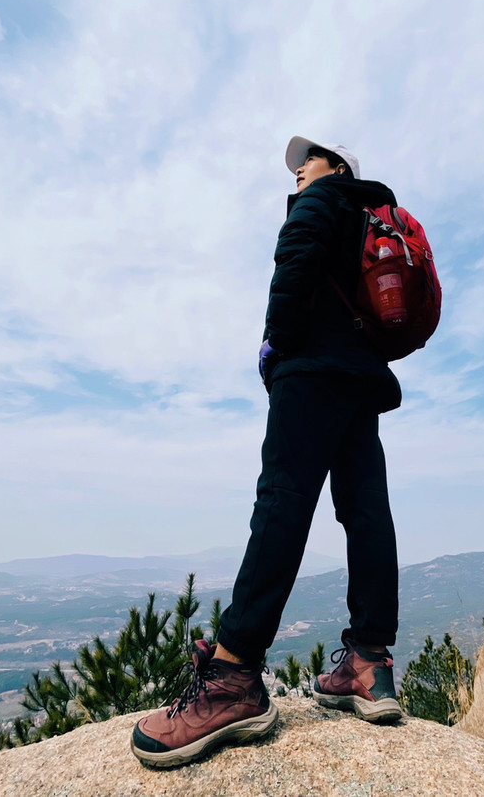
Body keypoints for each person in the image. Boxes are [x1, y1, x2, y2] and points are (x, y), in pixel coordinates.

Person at [131, 136, 403, 768]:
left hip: (309, 374)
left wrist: (276, 348)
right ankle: (369, 665)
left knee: (281, 504)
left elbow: (293, 269)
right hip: (360, 378)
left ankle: (233, 679)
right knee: (366, 511)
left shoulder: (320, 202)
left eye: (309, 158)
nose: (299, 168)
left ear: (336, 166)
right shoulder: (371, 216)